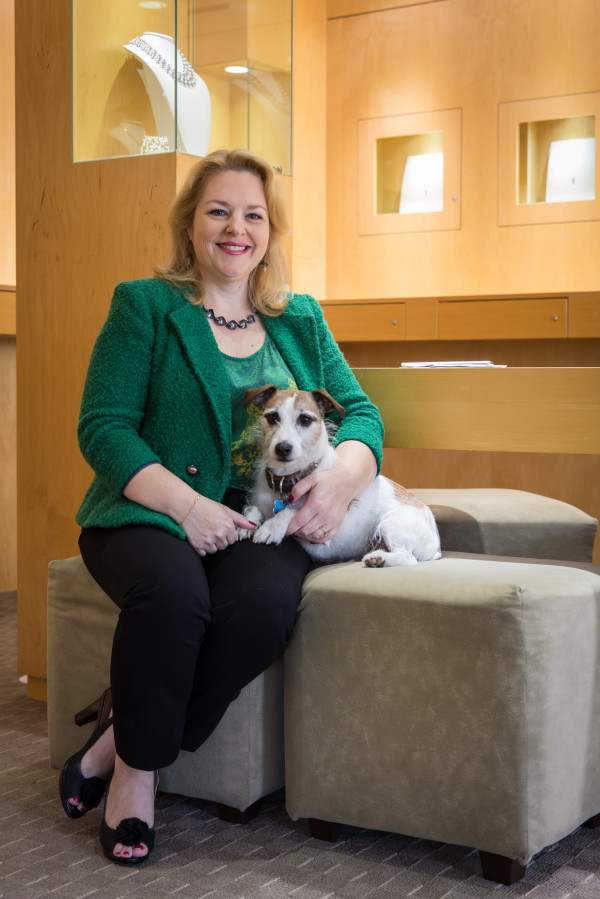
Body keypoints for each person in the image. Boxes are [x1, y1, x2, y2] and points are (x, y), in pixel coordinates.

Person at [60, 148, 384, 865]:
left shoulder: (299, 318)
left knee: (263, 611)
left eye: (253, 214)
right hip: (144, 515)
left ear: (270, 230)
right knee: (176, 598)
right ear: (190, 222)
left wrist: (342, 480)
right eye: (218, 210)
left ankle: (116, 733)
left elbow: (361, 414)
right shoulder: (143, 305)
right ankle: (135, 780)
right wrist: (187, 507)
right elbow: (102, 426)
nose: (236, 228)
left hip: (254, 526)